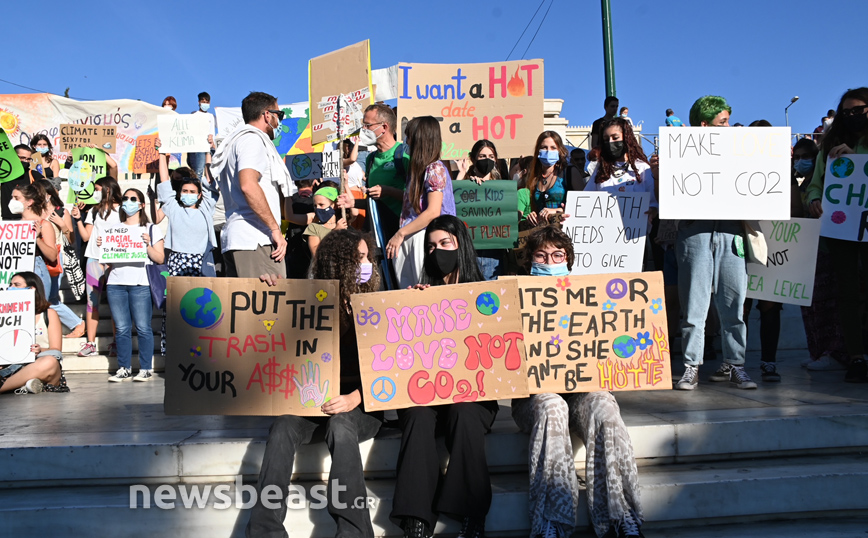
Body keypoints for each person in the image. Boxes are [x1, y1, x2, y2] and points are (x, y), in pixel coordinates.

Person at [246, 228, 383, 538]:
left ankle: (354, 532)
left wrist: (356, 397)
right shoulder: (310, 302)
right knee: (283, 425)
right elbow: (271, 339)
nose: (367, 265)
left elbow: (389, 367)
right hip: (313, 405)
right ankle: (264, 531)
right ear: (339, 263)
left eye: (368, 258)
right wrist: (270, 295)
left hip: (360, 406)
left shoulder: (376, 305)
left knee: (341, 424)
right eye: (359, 259)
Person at [511, 226, 644, 538]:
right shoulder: (513, 299)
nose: (549, 262)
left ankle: (620, 515)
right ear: (530, 261)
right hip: (535, 400)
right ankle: (551, 521)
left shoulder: (590, 298)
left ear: (568, 260)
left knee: (604, 403)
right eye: (541, 256)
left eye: (557, 255)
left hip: (580, 394)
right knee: (551, 404)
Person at [391, 215, 497, 538]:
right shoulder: (419, 295)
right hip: (427, 393)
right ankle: (416, 520)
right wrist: (412, 309)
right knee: (418, 415)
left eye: (445, 243)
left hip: (472, 394)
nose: (437, 251)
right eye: (431, 246)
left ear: (460, 245)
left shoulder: (487, 296)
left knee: (465, 413)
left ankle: (471, 513)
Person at [673, 95, 757, 391]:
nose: (729, 127)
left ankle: (736, 364)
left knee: (734, 303)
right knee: (694, 304)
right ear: (704, 125)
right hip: (695, 233)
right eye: (723, 122)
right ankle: (691, 366)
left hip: (731, 232)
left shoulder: (742, 152)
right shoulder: (681, 154)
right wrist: (661, 170)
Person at [806, 87, 868, 383]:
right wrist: (814, 200)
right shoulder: (831, 147)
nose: (853, 116)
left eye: (859, 110)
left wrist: (858, 162)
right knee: (848, 293)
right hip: (842, 229)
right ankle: (856, 356)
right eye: (847, 112)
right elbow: (815, 184)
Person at [211, 91, 294, 278]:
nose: (280, 121)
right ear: (267, 115)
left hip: (242, 238)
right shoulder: (253, 140)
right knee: (272, 296)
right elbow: (248, 185)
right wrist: (275, 229)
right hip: (255, 240)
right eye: (279, 115)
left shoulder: (237, 141)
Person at [791, 138, 848, 370]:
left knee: (828, 304)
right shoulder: (801, 186)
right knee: (810, 305)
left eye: (807, 157)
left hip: (826, 248)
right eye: (797, 158)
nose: (801, 162)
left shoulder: (827, 182)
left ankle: (832, 352)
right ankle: (816, 351)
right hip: (807, 249)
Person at [96, 188, 164, 382]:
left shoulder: (151, 229)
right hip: (116, 283)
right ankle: (123, 367)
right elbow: (108, 262)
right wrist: (104, 247)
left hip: (140, 284)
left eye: (133, 199)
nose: (128, 202)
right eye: (125, 198)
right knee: (122, 328)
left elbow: (160, 258)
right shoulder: (114, 230)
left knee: (143, 327)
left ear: (142, 205)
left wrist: (148, 245)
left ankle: (145, 368)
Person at [385, 117, 456, 289]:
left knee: (424, 292)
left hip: (425, 237)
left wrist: (400, 234)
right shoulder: (417, 171)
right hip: (411, 236)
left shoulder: (435, 168)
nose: (406, 141)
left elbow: (433, 212)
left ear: (419, 138)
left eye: (409, 136)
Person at [9, 182, 83, 335]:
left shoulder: (43, 224)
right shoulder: (12, 227)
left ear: (29, 202)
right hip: (17, 269)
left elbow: (52, 255)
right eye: (12, 197)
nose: (12, 201)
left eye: (16, 198)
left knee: (41, 305)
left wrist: (37, 239)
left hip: (37, 269)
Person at [70, 177, 122, 358]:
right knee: (92, 303)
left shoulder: (123, 210)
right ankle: (91, 343)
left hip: (116, 260)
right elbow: (86, 236)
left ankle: (117, 342)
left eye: (98, 189)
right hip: (95, 258)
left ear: (109, 189)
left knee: (116, 303)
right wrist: (78, 219)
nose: (95, 192)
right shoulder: (94, 210)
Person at [0, 272, 68, 394]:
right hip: (11, 367)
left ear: (32, 289)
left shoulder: (48, 314)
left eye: (17, 285)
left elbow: (56, 349)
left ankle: (6, 387)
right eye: (10, 285)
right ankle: (25, 384)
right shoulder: (4, 315)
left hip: (38, 363)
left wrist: (39, 350)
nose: (11, 288)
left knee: (50, 362)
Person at [35, 179, 86, 337]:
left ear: (48, 195)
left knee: (49, 299)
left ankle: (77, 323)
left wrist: (62, 224)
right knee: (49, 298)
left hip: (56, 259)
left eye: (37, 192)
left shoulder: (61, 211)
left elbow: (71, 240)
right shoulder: (34, 212)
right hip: (38, 258)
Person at [455, 139, 510, 279]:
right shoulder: (466, 184)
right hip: (469, 252)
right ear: (473, 159)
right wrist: (463, 178)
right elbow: (452, 205)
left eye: (491, 156)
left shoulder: (503, 189)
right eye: (482, 156)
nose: (487, 160)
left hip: (495, 254)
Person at [584, 117, 658, 211]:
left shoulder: (643, 168)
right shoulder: (601, 169)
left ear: (627, 138)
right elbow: (586, 199)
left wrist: (652, 210)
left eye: (615, 138)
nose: (610, 142)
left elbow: (654, 202)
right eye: (606, 139)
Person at [361, 104, 408, 240]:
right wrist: (351, 202)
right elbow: (373, 201)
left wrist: (388, 191)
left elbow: (419, 199)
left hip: (402, 231)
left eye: (368, 125)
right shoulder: (371, 158)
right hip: (379, 232)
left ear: (384, 127)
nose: (364, 130)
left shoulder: (405, 154)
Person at [525, 131, 569, 226]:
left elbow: (580, 206)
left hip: (562, 230)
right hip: (542, 230)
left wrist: (557, 210)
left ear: (560, 151)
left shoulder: (568, 172)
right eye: (544, 147)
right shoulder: (534, 177)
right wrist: (533, 215)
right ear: (538, 151)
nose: (549, 151)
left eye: (553, 148)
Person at [303, 184, 352, 257]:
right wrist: (334, 233)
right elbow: (316, 253)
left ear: (334, 205)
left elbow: (355, 212)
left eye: (321, 205)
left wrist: (346, 185)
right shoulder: (313, 227)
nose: (317, 208)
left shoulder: (344, 224)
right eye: (315, 206)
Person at [2, 145, 44, 221]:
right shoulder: (4, 174)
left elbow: (48, 191)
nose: (25, 161)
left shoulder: (33, 174)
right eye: (22, 158)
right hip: (8, 219)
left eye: (28, 159)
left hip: (28, 218)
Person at [284, 179, 316, 278]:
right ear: (314, 182)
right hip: (311, 251)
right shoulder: (318, 201)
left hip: (293, 247)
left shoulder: (288, 201)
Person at [187, 92, 215, 179]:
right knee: (198, 171)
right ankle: (197, 186)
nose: (205, 104)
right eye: (203, 102)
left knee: (209, 172)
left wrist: (212, 141)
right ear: (199, 102)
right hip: (198, 147)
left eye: (207, 102)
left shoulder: (211, 116)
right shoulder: (194, 115)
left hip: (209, 147)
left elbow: (212, 131)